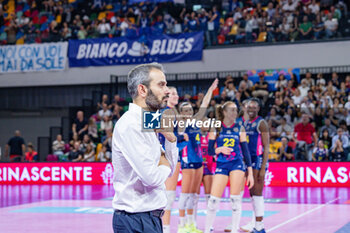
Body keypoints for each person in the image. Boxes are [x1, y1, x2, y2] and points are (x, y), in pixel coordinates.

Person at [112, 63, 178, 233]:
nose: (167, 91)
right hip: (135, 220)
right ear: (142, 90)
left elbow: (168, 171)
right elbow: (152, 178)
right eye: (161, 85)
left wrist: (170, 140)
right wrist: (165, 162)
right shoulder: (131, 124)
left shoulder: (148, 122)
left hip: (148, 218)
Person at [204, 101, 254, 233]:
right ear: (225, 112)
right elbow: (209, 151)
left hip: (237, 164)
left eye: (236, 110)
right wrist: (219, 149)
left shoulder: (240, 127)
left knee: (235, 199)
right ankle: (207, 229)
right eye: (232, 110)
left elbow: (246, 151)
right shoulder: (216, 127)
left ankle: (234, 229)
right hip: (222, 164)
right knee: (213, 201)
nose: (235, 112)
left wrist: (250, 173)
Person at [177, 78, 218, 233]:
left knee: (194, 196)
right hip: (187, 162)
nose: (188, 112)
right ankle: (182, 226)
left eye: (189, 110)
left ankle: (191, 225)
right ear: (181, 113)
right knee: (185, 195)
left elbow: (205, 104)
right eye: (185, 110)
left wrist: (210, 90)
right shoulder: (181, 124)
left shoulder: (195, 122)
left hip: (199, 162)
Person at [161, 86, 189, 233]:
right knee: (168, 195)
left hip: (172, 155)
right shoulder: (166, 111)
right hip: (165, 155)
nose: (176, 96)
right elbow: (164, 133)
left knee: (167, 195)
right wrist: (182, 137)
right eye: (172, 94)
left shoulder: (174, 113)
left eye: (177, 93)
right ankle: (165, 229)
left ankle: (164, 228)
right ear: (166, 96)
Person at [241, 98, 269, 233]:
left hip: (257, 160)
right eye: (249, 107)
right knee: (252, 193)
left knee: (257, 192)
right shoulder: (245, 123)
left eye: (254, 107)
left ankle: (260, 226)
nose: (251, 109)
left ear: (258, 109)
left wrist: (263, 167)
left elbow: (266, 146)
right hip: (248, 161)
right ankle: (254, 222)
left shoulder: (261, 123)